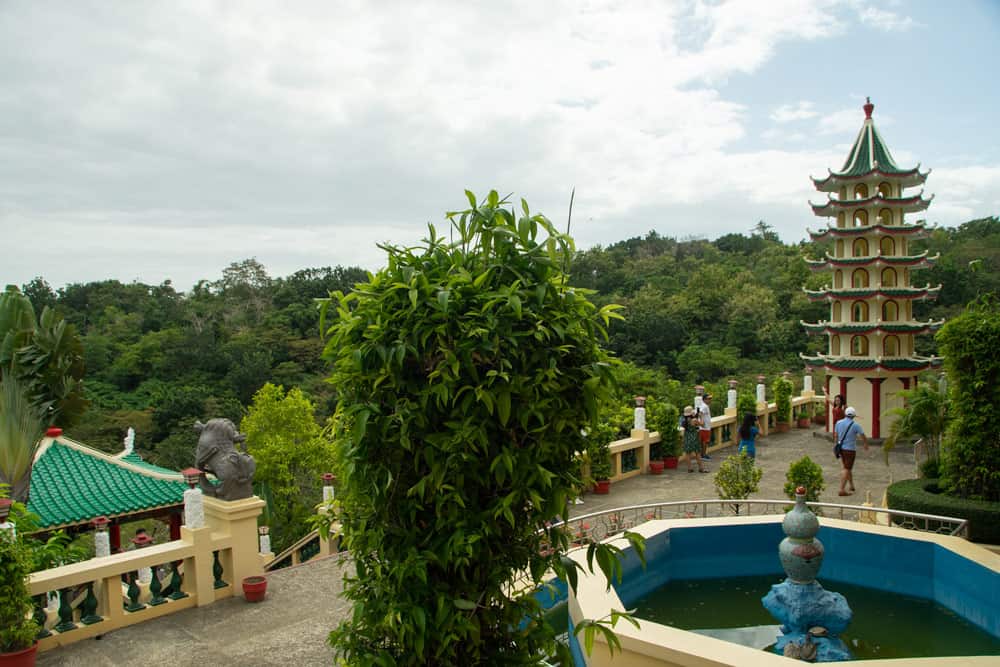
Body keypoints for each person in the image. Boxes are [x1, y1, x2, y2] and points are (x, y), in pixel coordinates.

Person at [834, 406, 869, 496]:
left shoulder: (838, 423)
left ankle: (851, 485)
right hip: (850, 450)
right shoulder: (855, 425)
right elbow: (862, 435)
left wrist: (837, 444)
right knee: (846, 468)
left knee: (847, 467)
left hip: (841, 448)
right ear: (853, 416)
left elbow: (836, 435)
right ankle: (841, 489)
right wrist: (865, 444)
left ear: (845, 414)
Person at [681, 406, 708, 473]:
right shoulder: (694, 420)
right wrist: (700, 416)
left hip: (687, 437)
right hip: (694, 438)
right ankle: (701, 468)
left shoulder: (684, 421)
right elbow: (702, 424)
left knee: (687, 453)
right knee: (697, 453)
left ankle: (689, 468)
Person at [698, 393, 713, 461]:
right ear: (704, 399)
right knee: (705, 442)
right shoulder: (704, 406)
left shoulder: (705, 405)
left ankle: (703, 454)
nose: (710, 400)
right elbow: (700, 413)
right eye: (708, 399)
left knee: (704, 442)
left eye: (710, 398)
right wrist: (701, 422)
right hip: (705, 428)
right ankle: (703, 455)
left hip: (705, 427)